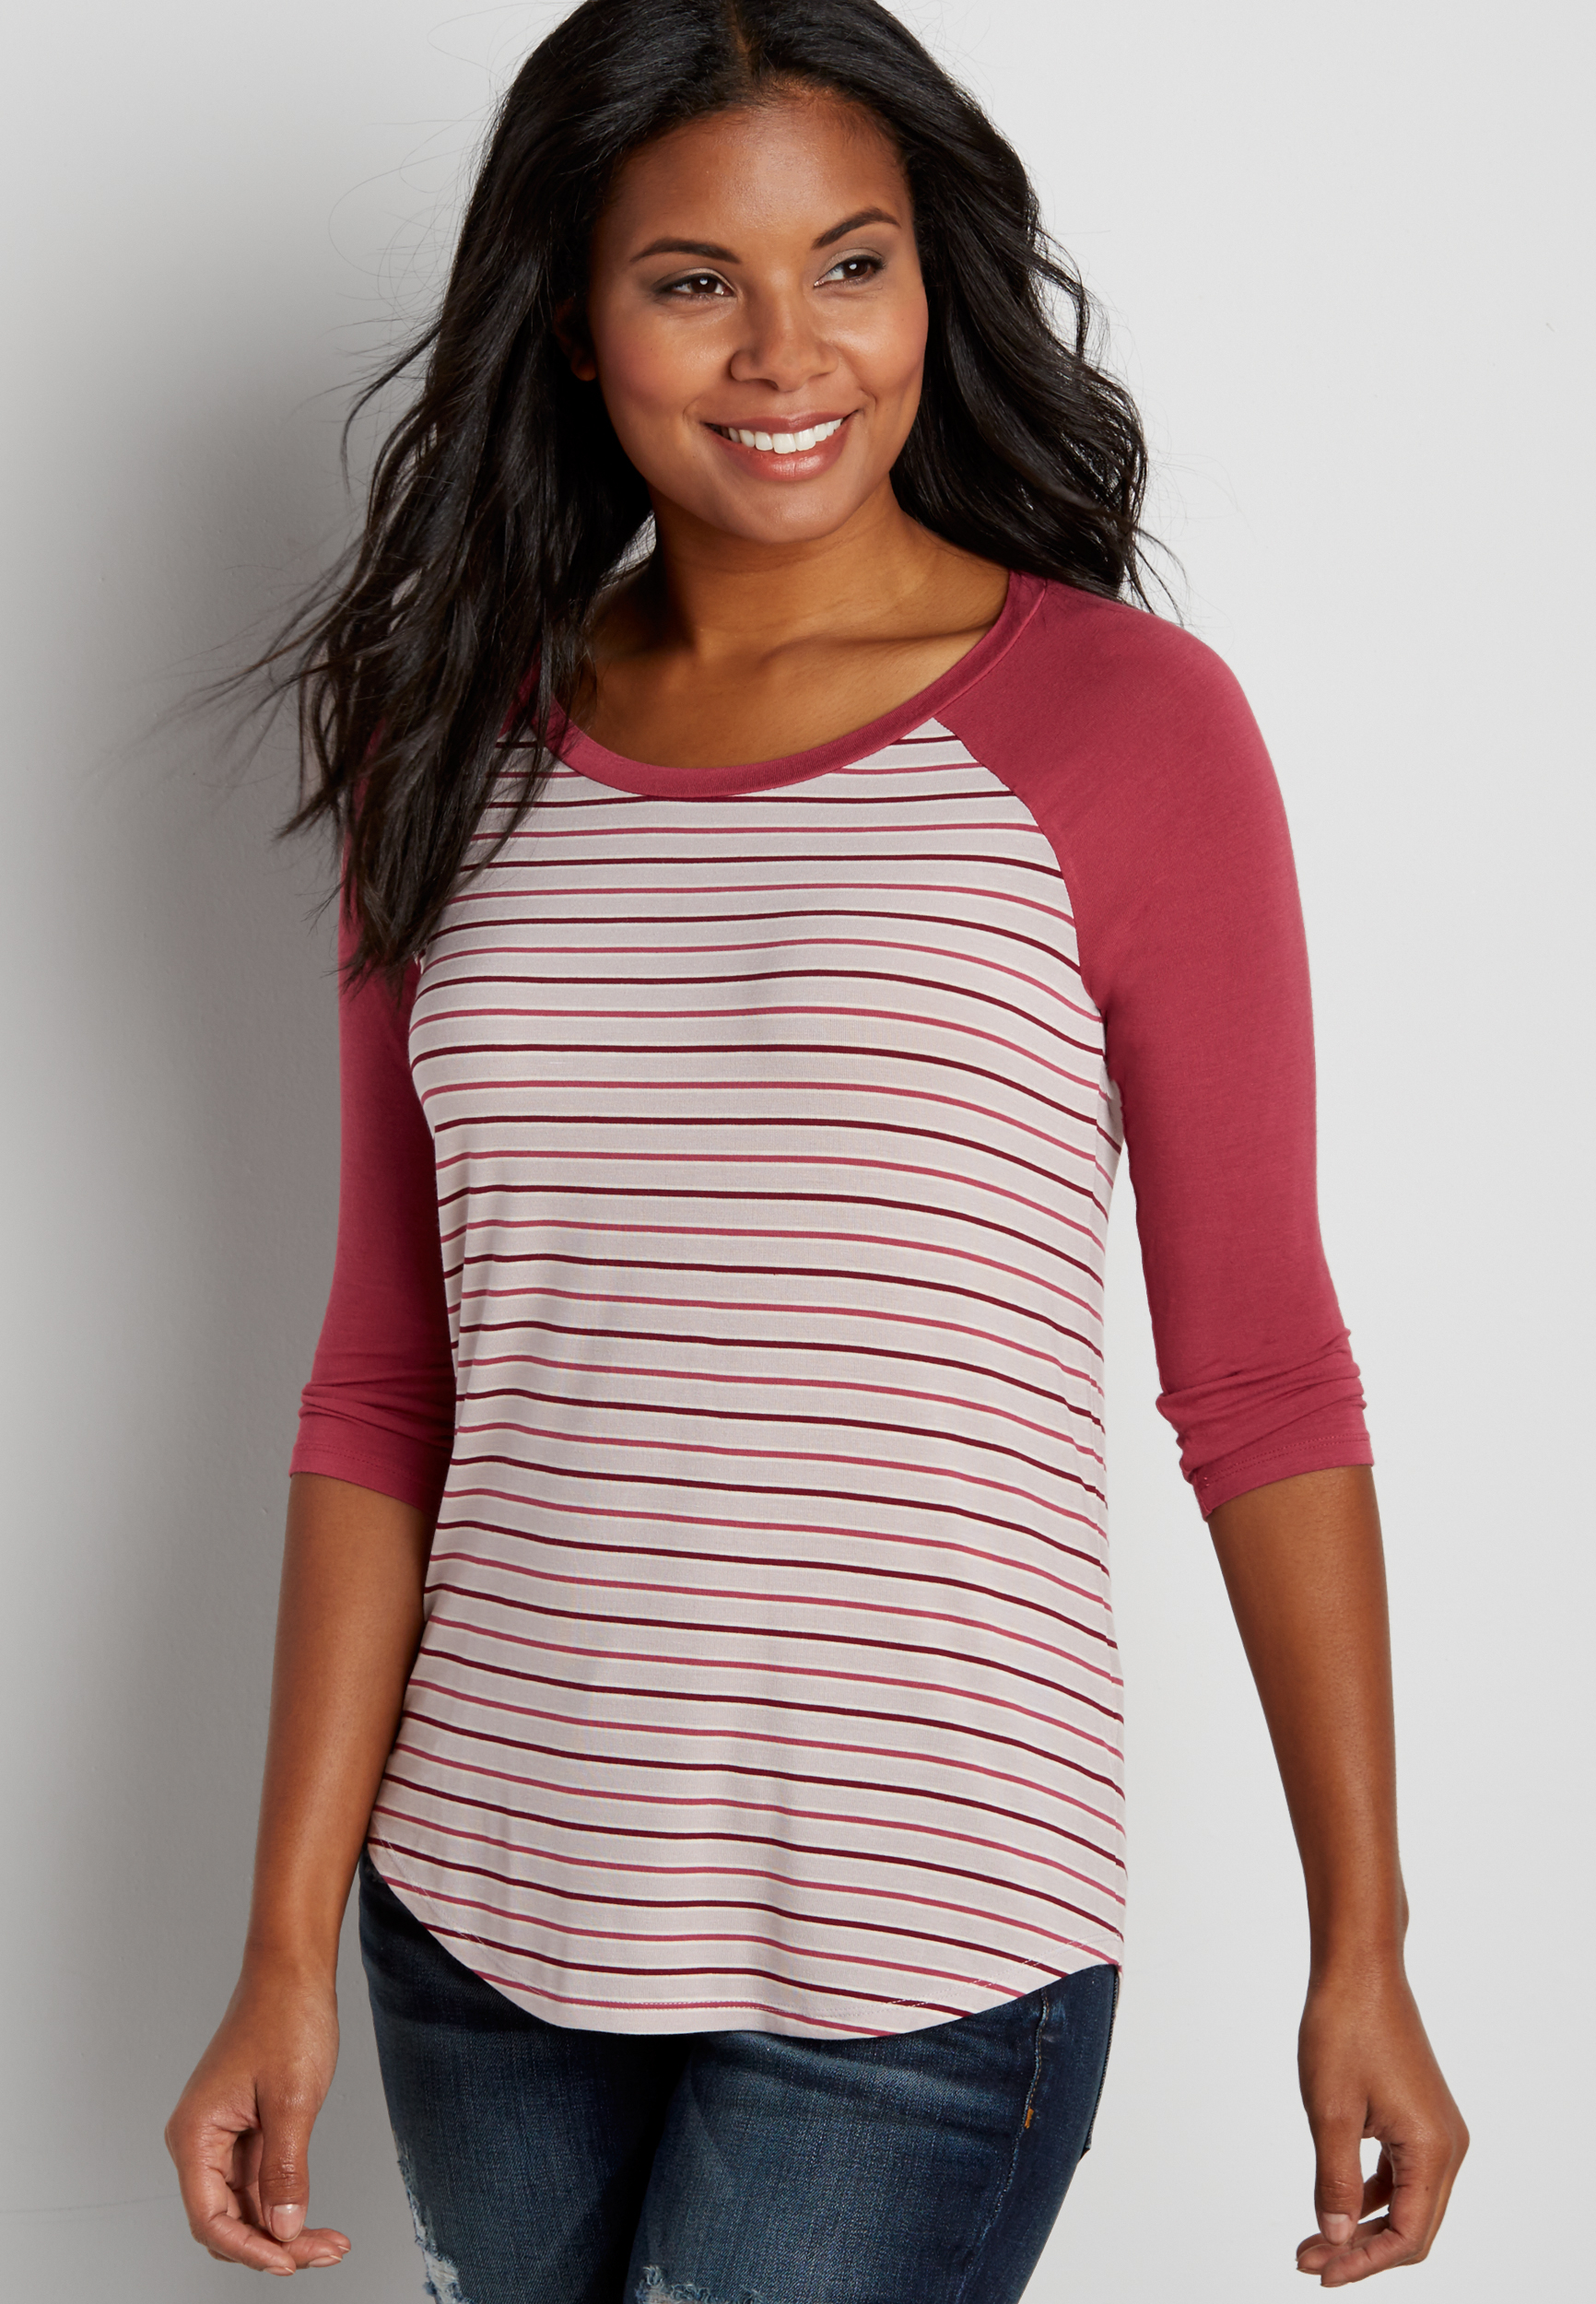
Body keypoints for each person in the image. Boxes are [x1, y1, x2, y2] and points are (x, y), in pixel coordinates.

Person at [165, 2, 1468, 2295]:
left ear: (929, 283)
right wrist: (280, 1944)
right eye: (695, 280)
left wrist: (1358, 1935)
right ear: (571, 323)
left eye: (849, 264)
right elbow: (384, 1380)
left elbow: (1261, 1374)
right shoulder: (442, 742)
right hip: (482, 1916)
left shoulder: (1119, 727)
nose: (787, 351)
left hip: (924, 1934)